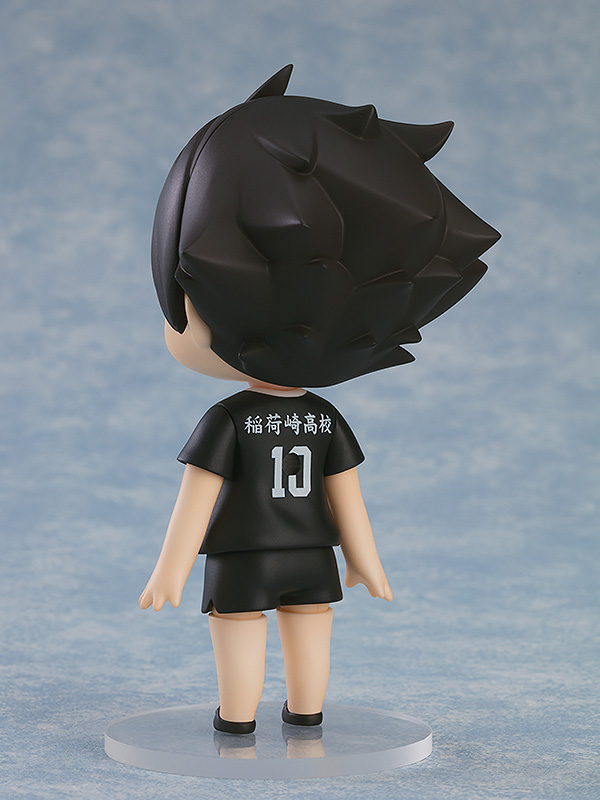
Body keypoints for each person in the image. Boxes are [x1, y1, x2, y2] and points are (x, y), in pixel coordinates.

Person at [139, 65, 500, 734]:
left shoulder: (229, 420)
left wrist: (171, 568)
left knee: (238, 627)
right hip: (312, 554)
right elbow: (346, 494)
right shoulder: (323, 418)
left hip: (243, 556)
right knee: (311, 623)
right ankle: (306, 714)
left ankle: (237, 721)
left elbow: (196, 498)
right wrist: (362, 557)